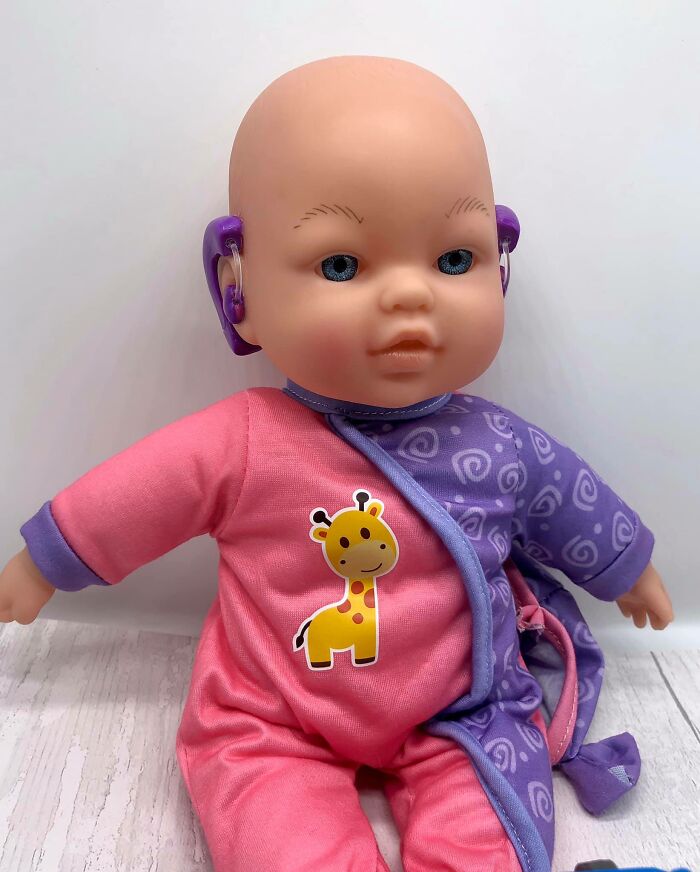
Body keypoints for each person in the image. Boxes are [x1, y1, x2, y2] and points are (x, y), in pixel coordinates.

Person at [1, 56, 674, 872]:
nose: (410, 297)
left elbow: (572, 501)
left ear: (500, 259)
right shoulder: (244, 440)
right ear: (237, 286)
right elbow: (137, 496)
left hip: (463, 711)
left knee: (491, 839)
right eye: (342, 265)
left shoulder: (498, 445)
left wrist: (625, 568)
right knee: (271, 822)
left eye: (453, 260)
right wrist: (45, 563)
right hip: (270, 712)